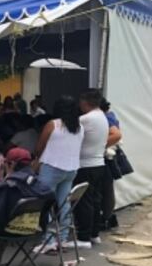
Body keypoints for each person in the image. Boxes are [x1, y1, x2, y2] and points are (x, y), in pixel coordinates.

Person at [33, 95, 84, 251]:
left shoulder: (53, 124)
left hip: (51, 167)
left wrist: (37, 159)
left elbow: (39, 146)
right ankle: (62, 238)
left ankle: (48, 240)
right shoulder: (79, 127)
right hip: (71, 169)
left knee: (45, 204)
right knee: (64, 204)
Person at [72, 89, 109, 247]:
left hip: (85, 164)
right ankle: (94, 234)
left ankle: (84, 237)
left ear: (85, 102)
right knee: (95, 200)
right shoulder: (102, 116)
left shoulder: (84, 119)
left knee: (84, 201)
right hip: (99, 163)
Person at [99, 98, 123, 233]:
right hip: (109, 157)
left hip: (105, 158)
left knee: (106, 190)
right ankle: (108, 217)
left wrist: (98, 146)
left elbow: (116, 135)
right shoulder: (111, 115)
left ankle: (107, 218)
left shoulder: (107, 118)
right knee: (108, 190)